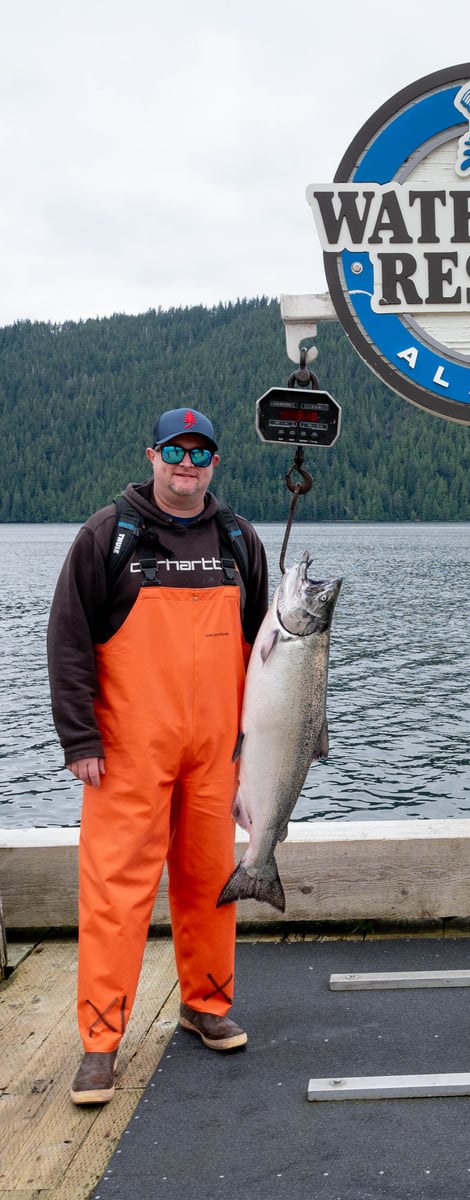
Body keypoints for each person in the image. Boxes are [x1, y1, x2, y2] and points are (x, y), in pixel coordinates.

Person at [47, 407, 269, 1106]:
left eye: (200, 452)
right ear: (152, 454)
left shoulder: (238, 539)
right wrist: (78, 739)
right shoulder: (107, 535)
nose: (187, 462)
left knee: (210, 879)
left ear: (214, 463)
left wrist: (262, 757)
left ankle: (205, 1003)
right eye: (175, 449)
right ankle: (101, 1044)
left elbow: (272, 654)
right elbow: (68, 642)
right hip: (124, 755)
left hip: (215, 753)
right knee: (116, 893)